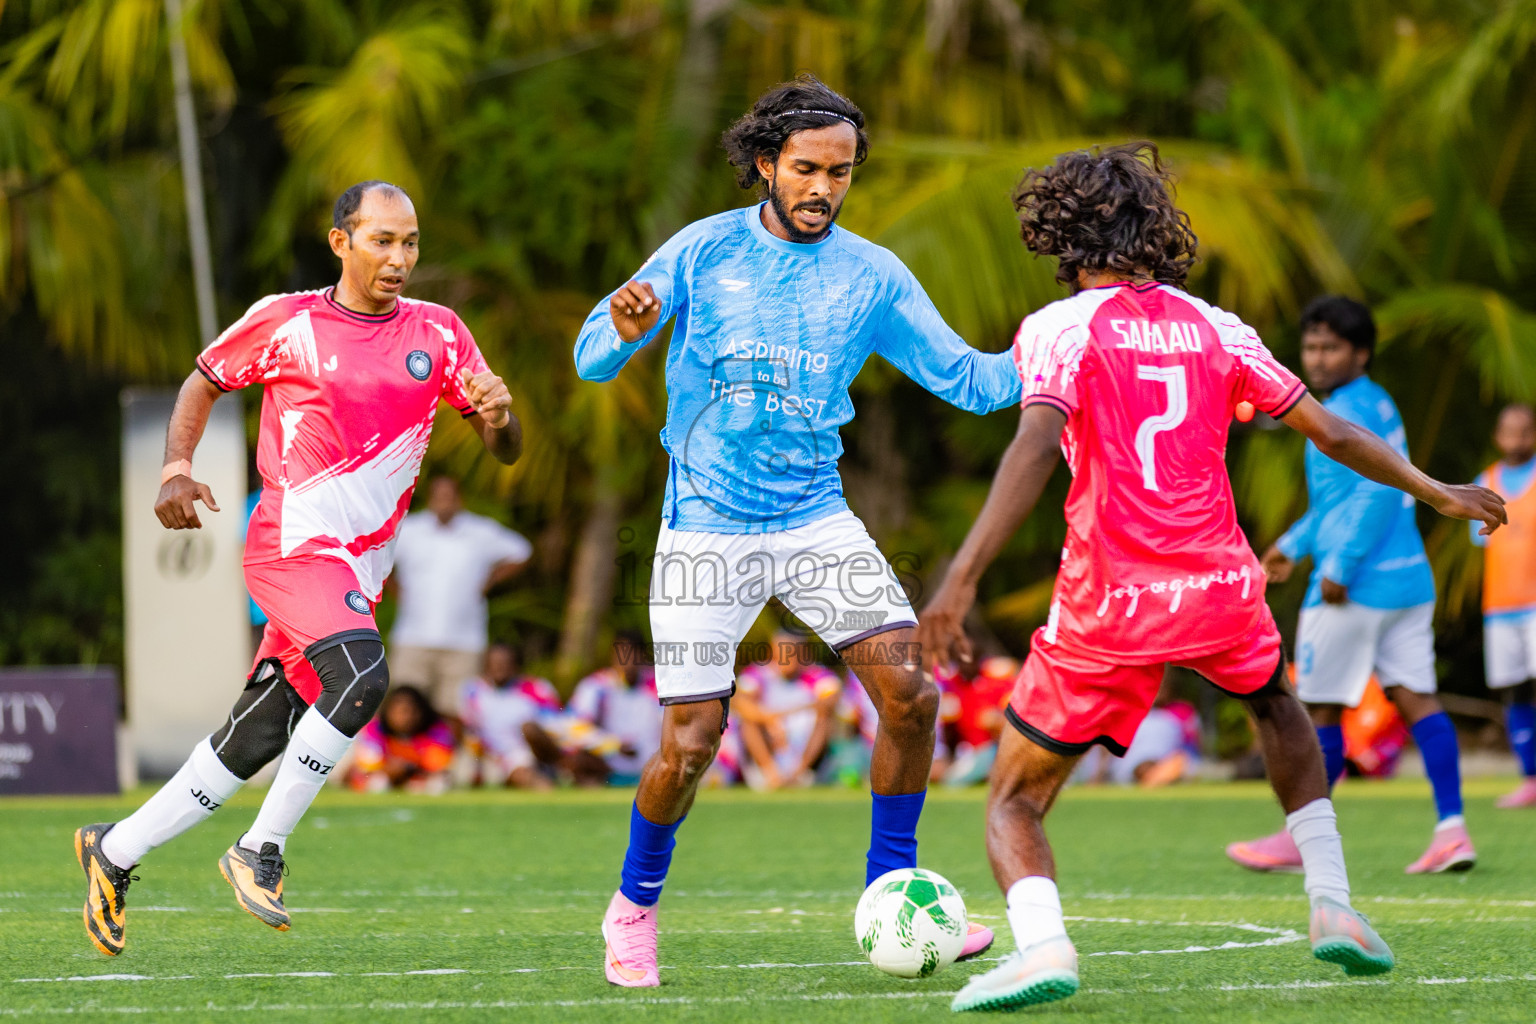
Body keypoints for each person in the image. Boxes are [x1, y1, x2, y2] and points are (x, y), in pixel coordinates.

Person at [916, 142, 1505, 1011]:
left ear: (1063, 234)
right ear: (1156, 231)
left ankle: (1041, 947)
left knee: (1012, 800)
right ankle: (1333, 905)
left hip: (1110, 601)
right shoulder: (1216, 326)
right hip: (1222, 589)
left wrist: (961, 579)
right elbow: (1333, 432)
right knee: (1278, 705)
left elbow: (1037, 442)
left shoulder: (1058, 330)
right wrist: (1433, 489)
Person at [572, 74, 1018, 986]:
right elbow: (589, 357)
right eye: (807, 168)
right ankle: (633, 907)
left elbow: (973, 383)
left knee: (912, 695)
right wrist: (619, 332)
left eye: (841, 173)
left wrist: (1064, 343)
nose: (823, 188)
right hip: (703, 525)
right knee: (690, 745)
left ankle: (892, 893)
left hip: (815, 518)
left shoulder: (873, 275)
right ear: (766, 165)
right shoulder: (702, 252)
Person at [74, 181, 523, 957]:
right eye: (382, 240)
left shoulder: (441, 332)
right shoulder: (289, 320)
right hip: (292, 543)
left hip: (360, 568)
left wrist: (500, 417)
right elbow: (204, 380)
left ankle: (113, 851)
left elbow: (504, 450)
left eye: (411, 242)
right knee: (364, 678)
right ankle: (261, 850)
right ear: (340, 241)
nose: (400, 258)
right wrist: (176, 465)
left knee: (256, 737)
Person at [1229, 296, 1476, 875]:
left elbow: (1377, 492)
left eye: (1330, 347)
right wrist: (1293, 545)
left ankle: (1300, 838)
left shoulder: (1346, 411)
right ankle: (1452, 830)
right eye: (1311, 347)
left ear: (1360, 352)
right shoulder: (1372, 403)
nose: (1316, 358)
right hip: (1407, 581)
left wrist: (1339, 565)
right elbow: (1340, 501)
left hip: (1356, 586)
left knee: (1314, 710)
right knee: (1415, 698)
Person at [389, 475, 531, 714]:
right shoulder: (409, 529)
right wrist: (395, 589)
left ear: (459, 499)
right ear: (430, 499)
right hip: (413, 636)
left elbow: (522, 551)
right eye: (439, 496)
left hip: (464, 641)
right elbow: (375, 558)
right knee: (405, 707)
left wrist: (492, 579)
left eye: (449, 496)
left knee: (455, 711)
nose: (444, 501)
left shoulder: (481, 531)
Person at [1472, 403, 1536, 807]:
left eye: (1524, 431)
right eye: (1509, 431)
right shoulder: (1485, 483)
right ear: (1498, 436)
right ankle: (1530, 779)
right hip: (1500, 607)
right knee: (1514, 691)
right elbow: (1478, 537)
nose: (1516, 439)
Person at [733, 631, 842, 790]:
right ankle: (771, 774)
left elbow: (829, 702)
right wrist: (771, 721)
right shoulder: (758, 674)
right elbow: (741, 703)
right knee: (748, 721)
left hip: (804, 742)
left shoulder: (818, 675)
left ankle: (798, 776)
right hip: (770, 741)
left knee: (824, 718)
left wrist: (782, 716)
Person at [459, 643, 563, 789]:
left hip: (530, 750)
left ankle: (549, 776)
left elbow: (556, 723)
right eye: (494, 663)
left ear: (516, 665)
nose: (499, 668)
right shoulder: (473, 690)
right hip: (487, 753)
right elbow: (468, 728)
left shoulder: (535, 688)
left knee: (529, 730)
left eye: (504, 663)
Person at [566, 631, 664, 785]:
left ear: (642, 655)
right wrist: (613, 745)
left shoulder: (659, 686)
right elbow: (575, 728)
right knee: (577, 760)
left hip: (654, 766)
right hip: (607, 766)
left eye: (632, 654)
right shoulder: (596, 686)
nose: (627, 661)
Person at [347, 686, 456, 794]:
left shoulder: (437, 730)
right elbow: (367, 766)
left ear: (422, 712)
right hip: (384, 776)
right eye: (399, 712)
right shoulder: (374, 728)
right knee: (377, 782)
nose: (406, 718)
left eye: (411, 712)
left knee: (436, 783)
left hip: (419, 776)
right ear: (388, 712)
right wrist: (390, 770)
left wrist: (408, 768)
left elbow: (438, 766)